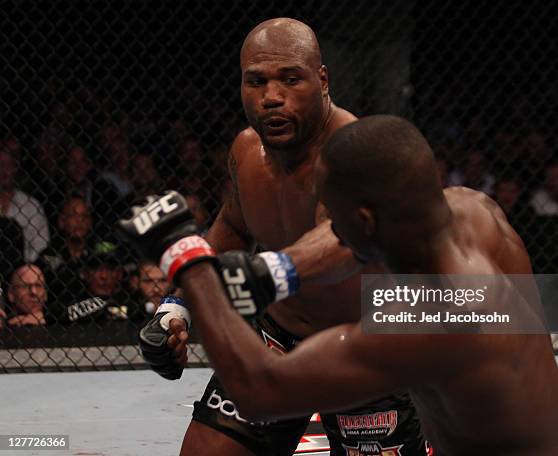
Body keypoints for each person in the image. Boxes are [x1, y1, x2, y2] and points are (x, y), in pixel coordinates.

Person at [121, 115, 558, 454]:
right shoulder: (478, 212)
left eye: (332, 217)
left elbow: (260, 390)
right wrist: (274, 273)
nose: (328, 232)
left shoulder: (426, 319)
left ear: (363, 221)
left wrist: (184, 255)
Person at [122, 18, 425, 456]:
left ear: (322, 80)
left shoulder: (357, 151)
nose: (271, 97)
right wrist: (177, 309)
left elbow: (342, 242)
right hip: (277, 338)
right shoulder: (247, 151)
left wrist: (265, 272)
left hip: (361, 346)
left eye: (290, 79)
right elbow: (233, 228)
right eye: (256, 81)